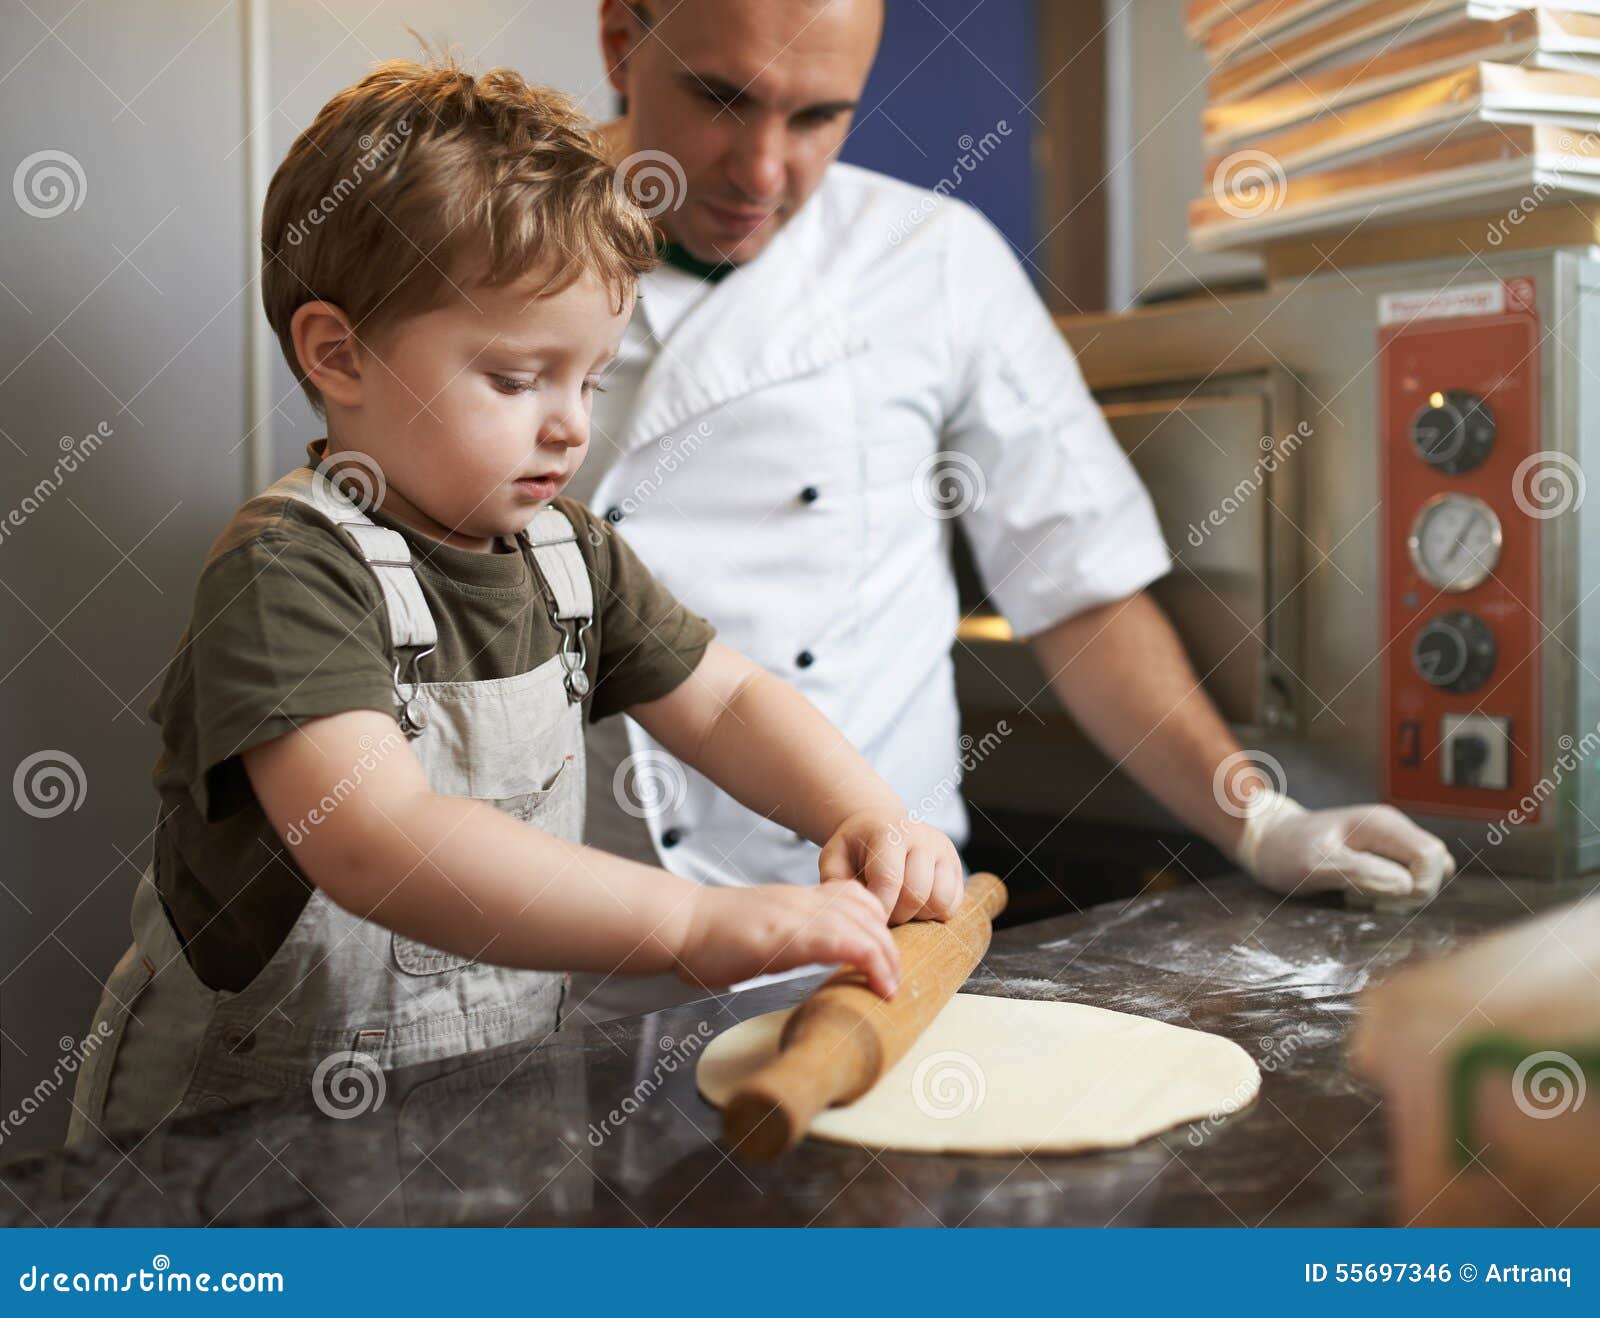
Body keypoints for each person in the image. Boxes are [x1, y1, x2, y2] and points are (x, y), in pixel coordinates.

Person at [67, 55, 961, 1147]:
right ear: (339, 355)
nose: (570, 425)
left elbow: (725, 703)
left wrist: (861, 812)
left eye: (587, 378)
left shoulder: (569, 556)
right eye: (514, 378)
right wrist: (690, 922)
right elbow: (380, 840)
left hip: (479, 1127)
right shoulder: (286, 570)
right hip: (242, 1154)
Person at [568, 0, 1455, 1021]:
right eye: (722, 99)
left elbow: (1079, 590)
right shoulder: (498, 241)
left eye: (818, 116)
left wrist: (1256, 819)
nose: (764, 171)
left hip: (876, 938)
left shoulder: (933, 259)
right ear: (620, 45)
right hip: (576, 930)